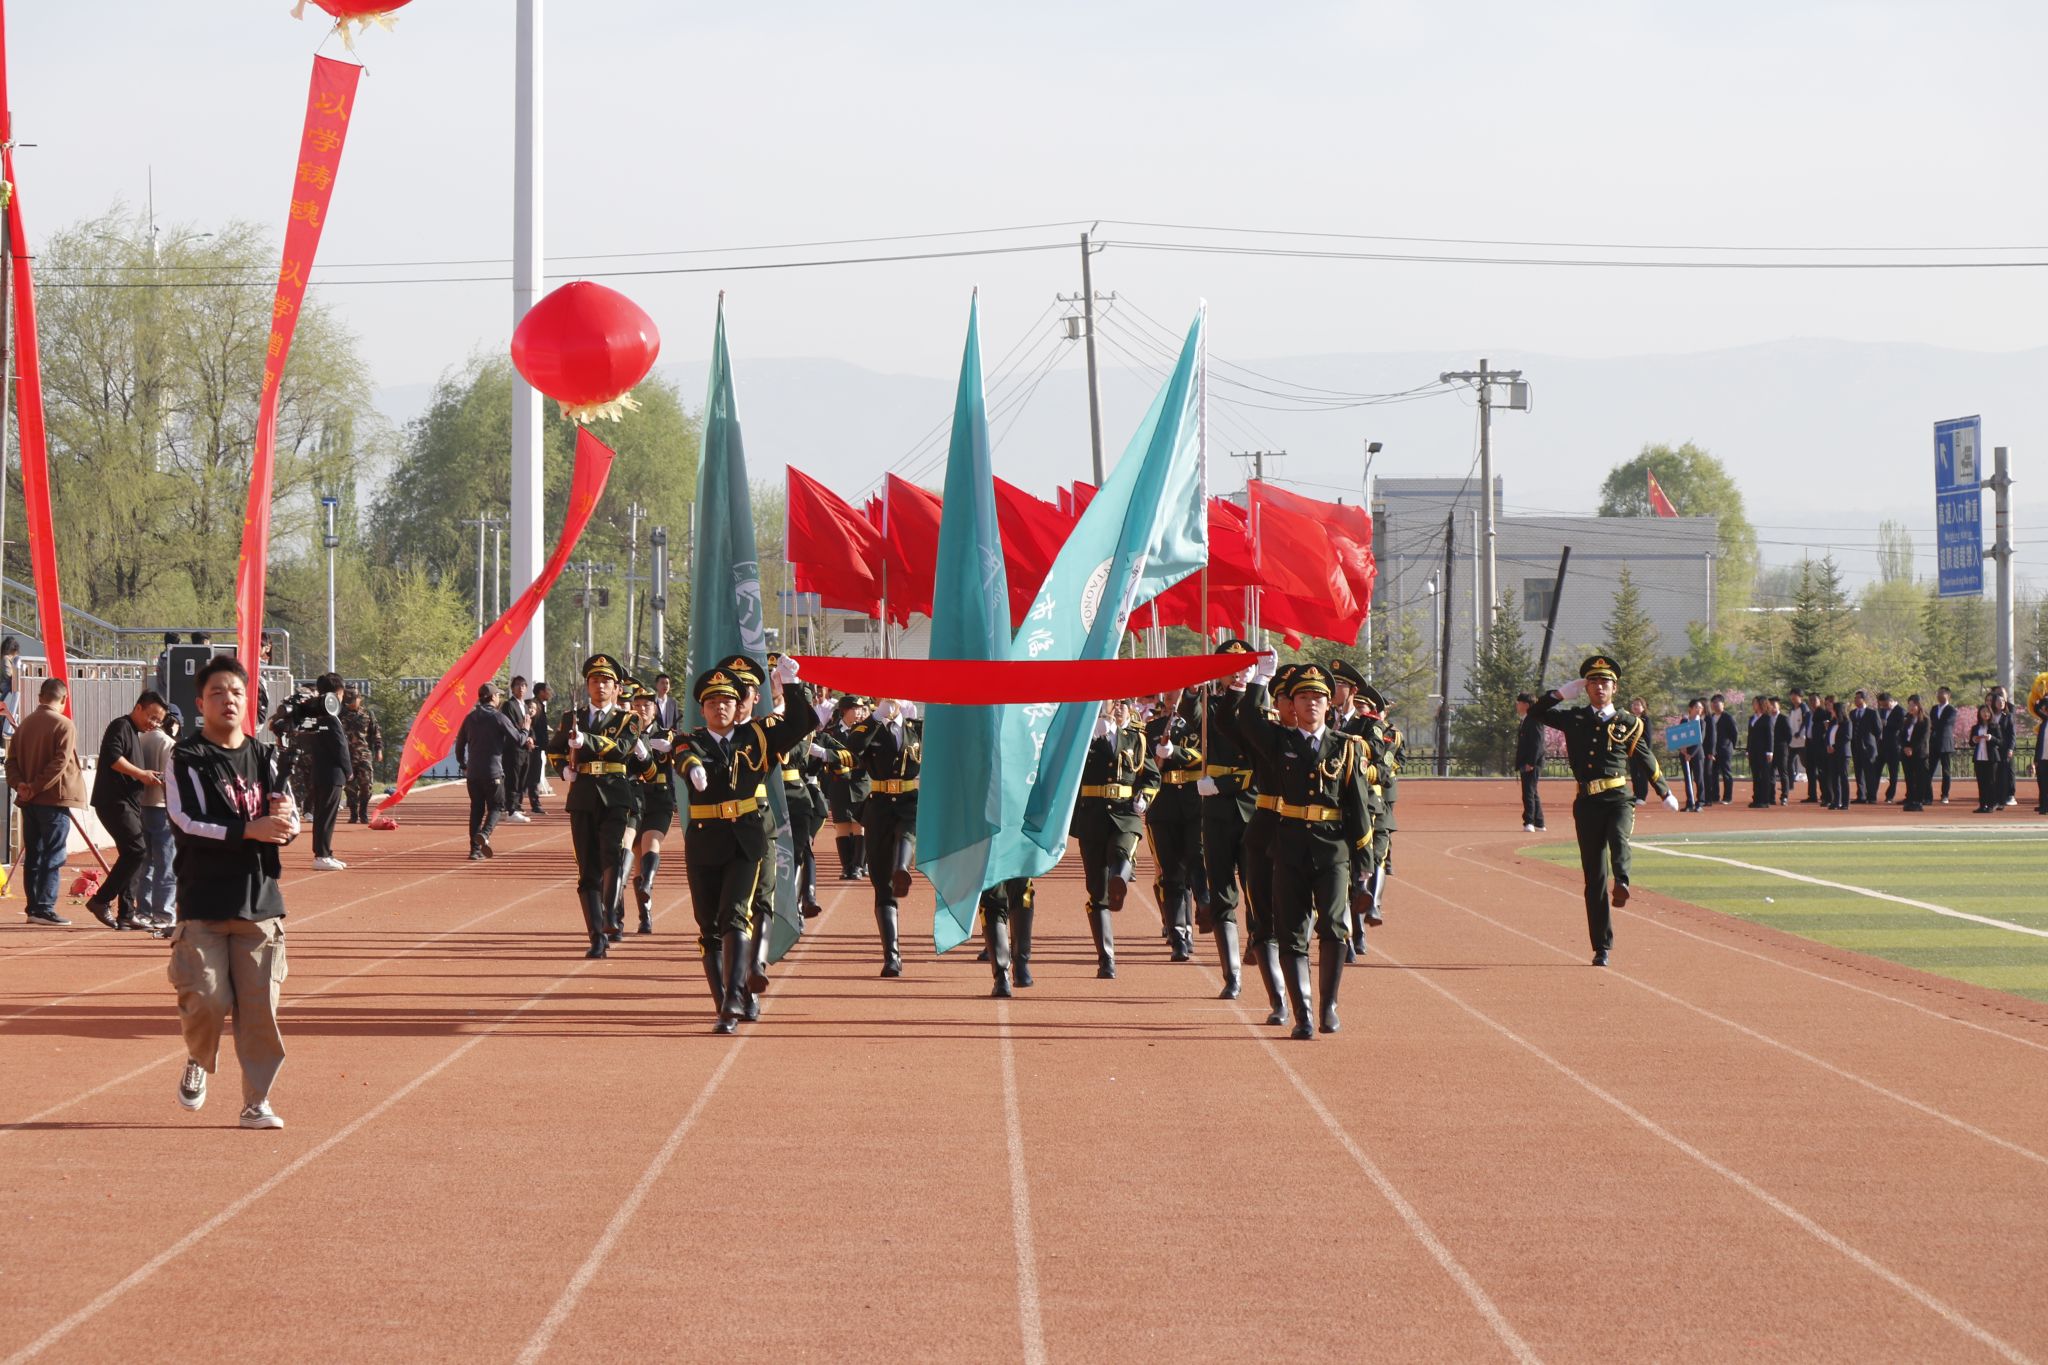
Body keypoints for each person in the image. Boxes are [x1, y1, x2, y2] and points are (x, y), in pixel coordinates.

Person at [165, 654, 300, 1130]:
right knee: (206, 999)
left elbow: (290, 816)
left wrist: (285, 825)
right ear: (200, 703)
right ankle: (198, 1057)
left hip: (259, 903)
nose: (229, 699)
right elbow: (185, 819)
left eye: (237, 692)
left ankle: (256, 1101)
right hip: (203, 901)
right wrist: (248, 829)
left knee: (261, 1010)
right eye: (217, 692)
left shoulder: (266, 757)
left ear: (248, 702)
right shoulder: (186, 757)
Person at [1233, 659, 1374, 1039]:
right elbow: (1248, 720)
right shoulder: (1280, 742)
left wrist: (1364, 861)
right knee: (1292, 932)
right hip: (1289, 848)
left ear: (1329, 704)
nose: (1311, 703)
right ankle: (1303, 1014)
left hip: (1333, 851)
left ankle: (1328, 1007)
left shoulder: (1346, 748)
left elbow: (1358, 806)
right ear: (1292, 705)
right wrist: (1260, 679)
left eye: (1318, 697)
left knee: (1334, 927)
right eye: (1303, 697)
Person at [676, 656, 815, 1033]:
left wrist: (792, 686)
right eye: (712, 702)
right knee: (708, 927)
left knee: (736, 914)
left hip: (746, 840)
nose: (720, 707)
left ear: (738, 705)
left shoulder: (757, 736)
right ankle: (722, 998)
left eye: (727, 701)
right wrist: (692, 767)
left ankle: (733, 1002)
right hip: (705, 840)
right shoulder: (691, 739)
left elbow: (801, 724)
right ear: (702, 708)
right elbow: (681, 756)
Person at [1529, 654, 1678, 967]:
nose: (1599, 687)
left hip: (1618, 797)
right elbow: (1536, 712)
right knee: (1594, 878)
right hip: (1587, 803)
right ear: (1586, 688)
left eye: (1605, 682)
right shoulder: (1575, 718)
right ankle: (1601, 946)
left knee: (1619, 837)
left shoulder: (1629, 723)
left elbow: (1645, 757)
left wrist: (1663, 790)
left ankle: (1622, 881)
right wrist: (1559, 694)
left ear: (1615, 688)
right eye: (1593, 682)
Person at [545, 655, 653, 957]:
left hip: (615, 796)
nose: (600, 686)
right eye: (594, 681)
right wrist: (563, 768)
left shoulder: (628, 719)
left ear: (616, 688)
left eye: (606, 681)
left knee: (613, 856)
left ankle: (610, 915)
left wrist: (586, 741)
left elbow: (620, 750)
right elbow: (554, 749)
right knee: (587, 869)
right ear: (587, 685)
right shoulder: (572, 718)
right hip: (583, 797)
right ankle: (596, 937)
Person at [1070, 696, 1158, 980]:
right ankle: (1106, 958)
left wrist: (1144, 797)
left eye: (1122, 702)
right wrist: (1089, 737)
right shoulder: (1083, 736)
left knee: (1123, 849)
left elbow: (1151, 776)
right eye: (1112, 701)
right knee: (1097, 892)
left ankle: (1119, 879)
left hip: (1124, 813)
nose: (1117, 706)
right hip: (1092, 816)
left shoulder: (1135, 737)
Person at [1197, 639, 1264, 1005]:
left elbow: (1261, 764)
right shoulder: (1207, 705)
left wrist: (1223, 784)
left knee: (1255, 888)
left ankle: (1257, 939)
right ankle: (1231, 975)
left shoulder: (1261, 707)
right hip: (1217, 813)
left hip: (1251, 808)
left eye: (1243, 667)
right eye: (1229, 668)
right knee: (1221, 891)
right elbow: (1187, 727)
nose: (1236, 673)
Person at [847, 696, 921, 978]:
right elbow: (852, 748)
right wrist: (876, 718)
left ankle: (902, 868)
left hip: (909, 800)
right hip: (878, 805)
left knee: (907, 832)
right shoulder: (869, 727)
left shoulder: (916, 728)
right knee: (882, 885)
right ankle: (892, 956)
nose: (891, 699)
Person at [85, 691, 171, 930]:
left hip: (128, 804)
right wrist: (141, 774)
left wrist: (147, 776)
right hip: (114, 802)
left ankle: (126, 914)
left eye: (158, 721)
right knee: (137, 850)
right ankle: (101, 900)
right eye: (152, 717)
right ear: (138, 708)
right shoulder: (120, 726)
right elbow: (113, 758)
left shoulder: (134, 732)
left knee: (133, 854)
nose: (153, 724)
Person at [12, 677, 87, 926]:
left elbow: (11, 762)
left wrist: (21, 786)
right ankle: (44, 907)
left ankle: (34, 907)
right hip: (53, 799)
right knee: (53, 854)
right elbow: (60, 762)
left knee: (34, 854)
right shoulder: (64, 724)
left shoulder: (24, 725)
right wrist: (34, 787)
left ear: (40, 697)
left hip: (29, 800)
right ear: (64, 699)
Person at [1143, 687, 1205, 964]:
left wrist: (1177, 753)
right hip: (1163, 805)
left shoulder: (1200, 726)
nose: (1172, 695)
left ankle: (1202, 912)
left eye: (1178, 690)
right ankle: (1179, 935)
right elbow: (1146, 765)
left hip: (1195, 804)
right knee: (1170, 873)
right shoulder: (1152, 728)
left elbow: (1206, 755)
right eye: (1168, 691)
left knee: (1195, 864)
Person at [626, 682, 680, 934]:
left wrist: (666, 746)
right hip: (634, 799)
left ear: (655, 709)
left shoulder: (665, 734)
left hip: (659, 798)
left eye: (646, 705)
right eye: (636, 705)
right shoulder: (625, 732)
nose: (641, 709)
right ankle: (645, 914)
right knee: (637, 857)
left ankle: (647, 883)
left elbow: (673, 749)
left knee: (651, 842)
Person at [455, 684, 526, 860]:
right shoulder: (498, 717)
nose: (499, 698)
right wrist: (525, 729)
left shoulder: (470, 718)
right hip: (493, 772)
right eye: (498, 695)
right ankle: (485, 834)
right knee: (496, 807)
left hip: (473, 773)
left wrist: (463, 764)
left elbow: (459, 745)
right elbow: (518, 740)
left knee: (476, 810)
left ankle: (474, 850)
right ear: (493, 697)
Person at [133, 707, 182, 933]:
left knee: (146, 863)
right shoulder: (168, 744)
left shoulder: (140, 739)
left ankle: (143, 911)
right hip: (162, 807)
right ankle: (163, 913)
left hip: (141, 806)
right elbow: (171, 780)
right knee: (166, 864)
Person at [298, 674, 352, 870]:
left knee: (323, 815)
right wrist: (348, 770)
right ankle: (321, 855)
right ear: (337, 693)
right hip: (332, 774)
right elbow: (340, 747)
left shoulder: (316, 718)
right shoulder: (330, 718)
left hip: (321, 772)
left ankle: (325, 853)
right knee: (326, 816)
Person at [819, 696, 873, 882]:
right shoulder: (831, 732)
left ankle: (858, 866)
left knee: (859, 826)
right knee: (842, 826)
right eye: (855, 708)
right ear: (844, 710)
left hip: (860, 784)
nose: (859, 712)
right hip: (839, 784)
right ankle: (846, 866)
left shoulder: (865, 731)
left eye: (861, 709)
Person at [340, 689, 383, 824]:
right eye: (348, 701)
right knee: (350, 787)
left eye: (353, 700)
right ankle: (353, 814)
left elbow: (375, 733)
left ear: (359, 699)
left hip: (364, 755)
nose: (350, 703)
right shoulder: (340, 714)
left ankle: (363, 812)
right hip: (347, 756)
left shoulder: (367, 714)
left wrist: (379, 750)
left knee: (366, 785)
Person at [499, 677, 536, 825]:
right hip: (513, 748)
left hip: (525, 749)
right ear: (512, 688)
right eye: (518, 685)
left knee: (522, 779)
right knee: (512, 779)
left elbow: (529, 725)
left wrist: (531, 738)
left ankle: (515, 806)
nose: (521, 688)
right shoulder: (509, 705)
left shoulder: (525, 706)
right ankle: (511, 810)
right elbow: (511, 726)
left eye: (523, 685)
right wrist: (524, 736)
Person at [1515, 693, 1545, 832]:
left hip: (1531, 763)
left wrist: (1531, 763)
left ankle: (1529, 822)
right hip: (1527, 762)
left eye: (1519, 703)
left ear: (1526, 705)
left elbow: (1537, 744)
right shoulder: (1527, 719)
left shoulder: (1534, 720)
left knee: (1528, 792)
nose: (1517, 705)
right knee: (1532, 792)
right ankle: (1539, 822)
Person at [1901, 694, 1933, 813]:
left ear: (1919, 706)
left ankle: (1918, 801)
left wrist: (1912, 748)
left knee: (1920, 778)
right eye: (1909, 705)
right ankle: (1910, 799)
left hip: (1919, 753)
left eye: (1913, 705)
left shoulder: (1925, 720)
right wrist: (1905, 747)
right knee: (1909, 777)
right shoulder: (1907, 719)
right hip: (1907, 753)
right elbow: (1902, 735)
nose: (1910, 707)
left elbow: (1923, 738)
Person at [523, 683, 552, 814]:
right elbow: (528, 725)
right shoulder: (533, 705)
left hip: (537, 747)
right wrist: (531, 739)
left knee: (532, 777)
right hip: (530, 748)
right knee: (529, 777)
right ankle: (518, 805)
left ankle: (532, 804)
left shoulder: (540, 706)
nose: (549, 693)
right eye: (547, 690)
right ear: (541, 692)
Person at [1849, 690, 1881, 803]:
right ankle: (1861, 796)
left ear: (1864, 699)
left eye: (1858, 698)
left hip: (1868, 748)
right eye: (1855, 698)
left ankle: (1871, 796)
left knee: (1870, 773)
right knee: (1859, 772)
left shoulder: (1872, 713)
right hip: (1856, 747)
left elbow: (1878, 731)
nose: (1856, 700)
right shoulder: (1852, 713)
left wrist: (1871, 742)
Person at [1705, 694, 1736, 807]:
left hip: (1725, 750)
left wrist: (1730, 746)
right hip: (1713, 751)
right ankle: (1715, 796)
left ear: (1723, 704)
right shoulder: (1711, 717)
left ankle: (1728, 797)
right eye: (1713, 702)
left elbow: (1734, 734)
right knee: (1713, 773)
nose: (1715, 704)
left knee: (1726, 773)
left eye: (1717, 702)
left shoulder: (1728, 717)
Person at [1745, 696, 1776, 809]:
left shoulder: (1767, 718)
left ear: (1761, 704)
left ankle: (1765, 800)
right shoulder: (1752, 718)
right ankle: (1756, 799)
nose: (1753, 705)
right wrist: (1748, 750)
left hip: (1763, 751)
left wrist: (1770, 751)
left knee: (1764, 776)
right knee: (1756, 775)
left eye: (1755, 703)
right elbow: (1750, 736)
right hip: (1753, 751)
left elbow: (1770, 735)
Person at [1928, 686, 1958, 805]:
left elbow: (1946, 723)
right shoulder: (1934, 708)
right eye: (1938, 693)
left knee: (1946, 771)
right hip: (1934, 742)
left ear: (1948, 695)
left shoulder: (1951, 710)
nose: (1939, 695)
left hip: (1945, 743)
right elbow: (1931, 721)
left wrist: (1935, 724)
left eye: (1942, 693)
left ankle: (1945, 795)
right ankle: (1927, 794)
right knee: (1929, 769)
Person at [1876, 692, 1906, 803]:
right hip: (1881, 745)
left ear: (1890, 701)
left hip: (1894, 746)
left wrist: (1887, 723)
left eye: (1885, 704)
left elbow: (1902, 727)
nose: (1883, 707)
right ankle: (1872, 794)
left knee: (1893, 772)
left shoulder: (1900, 711)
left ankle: (1890, 795)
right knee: (1875, 770)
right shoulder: (1881, 711)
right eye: (1881, 705)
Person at [1782, 688, 1810, 802]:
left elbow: (1806, 721)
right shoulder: (1792, 709)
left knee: (1806, 763)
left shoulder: (1804, 707)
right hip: (1792, 741)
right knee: (1789, 763)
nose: (1793, 698)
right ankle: (1790, 785)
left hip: (1802, 740)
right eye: (1791, 696)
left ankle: (1813, 783)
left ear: (1800, 696)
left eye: (1795, 696)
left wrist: (1800, 731)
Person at [1970, 705, 1997, 813]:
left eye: (1987, 712)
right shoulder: (1975, 727)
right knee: (1981, 783)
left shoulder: (1994, 727)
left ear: (1990, 714)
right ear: (1979, 714)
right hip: (1979, 758)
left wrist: (1991, 738)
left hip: (1991, 758)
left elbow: (2000, 741)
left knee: (1991, 782)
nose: (1985, 714)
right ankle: (1982, 805)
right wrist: (1974, 740)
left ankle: (1991, 805)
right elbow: (1971, 743)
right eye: (1983, 712)